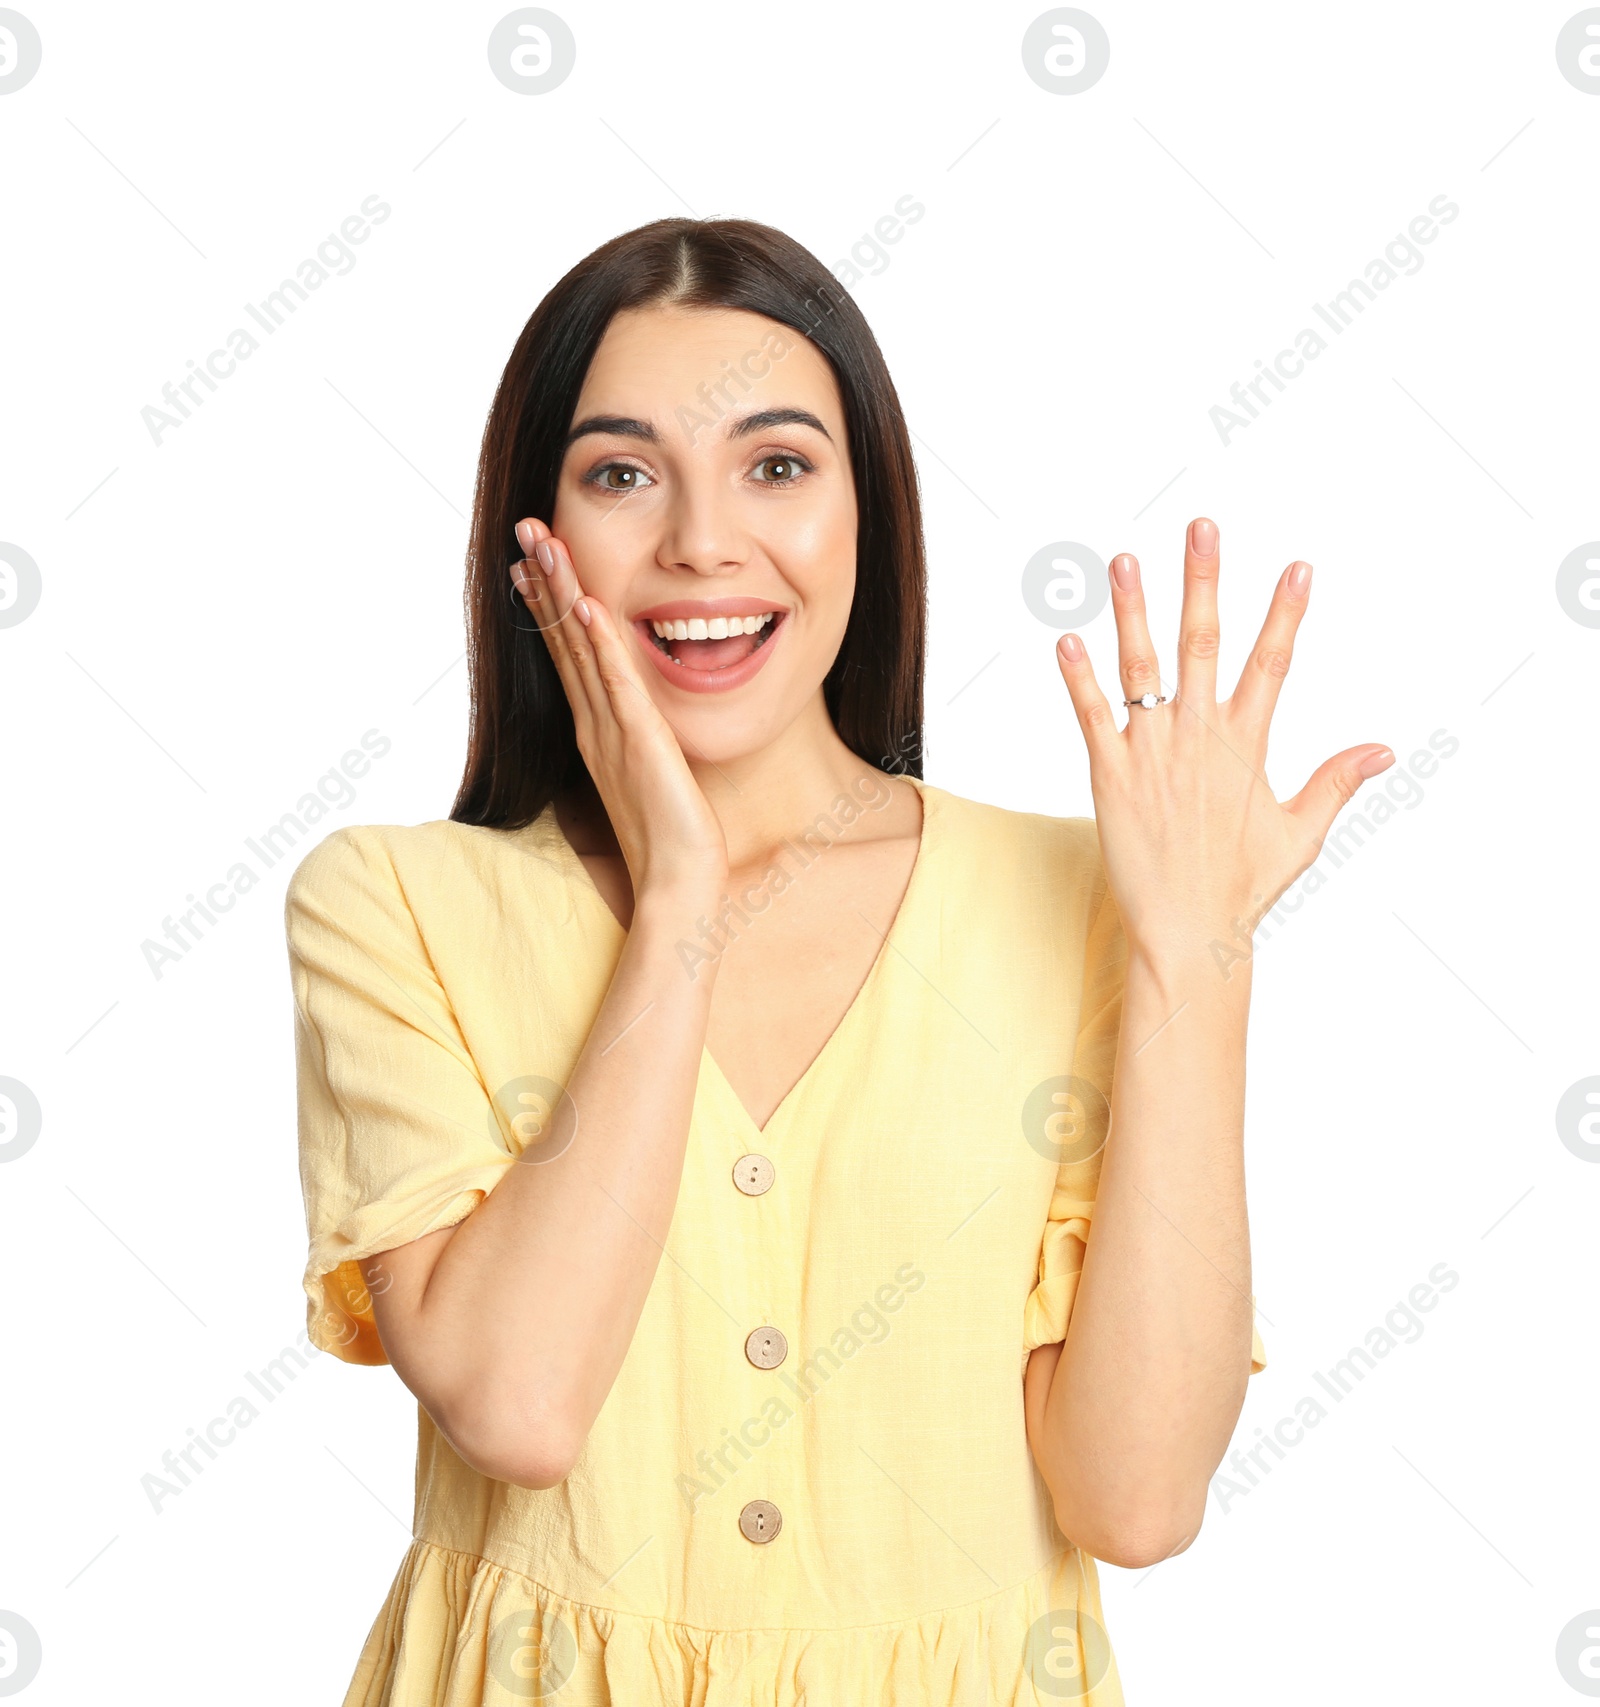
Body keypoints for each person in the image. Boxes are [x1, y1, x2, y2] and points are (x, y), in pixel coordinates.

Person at [286, 216, 1392, 1705]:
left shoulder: (1070, 898)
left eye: (778, 465)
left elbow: (1135, 1502)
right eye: (621, 474)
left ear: (866, 514)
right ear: (531, 541)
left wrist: (1197, 957)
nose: (699, 541)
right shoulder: (392, 906)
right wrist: (679, 894)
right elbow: (522, 1403)